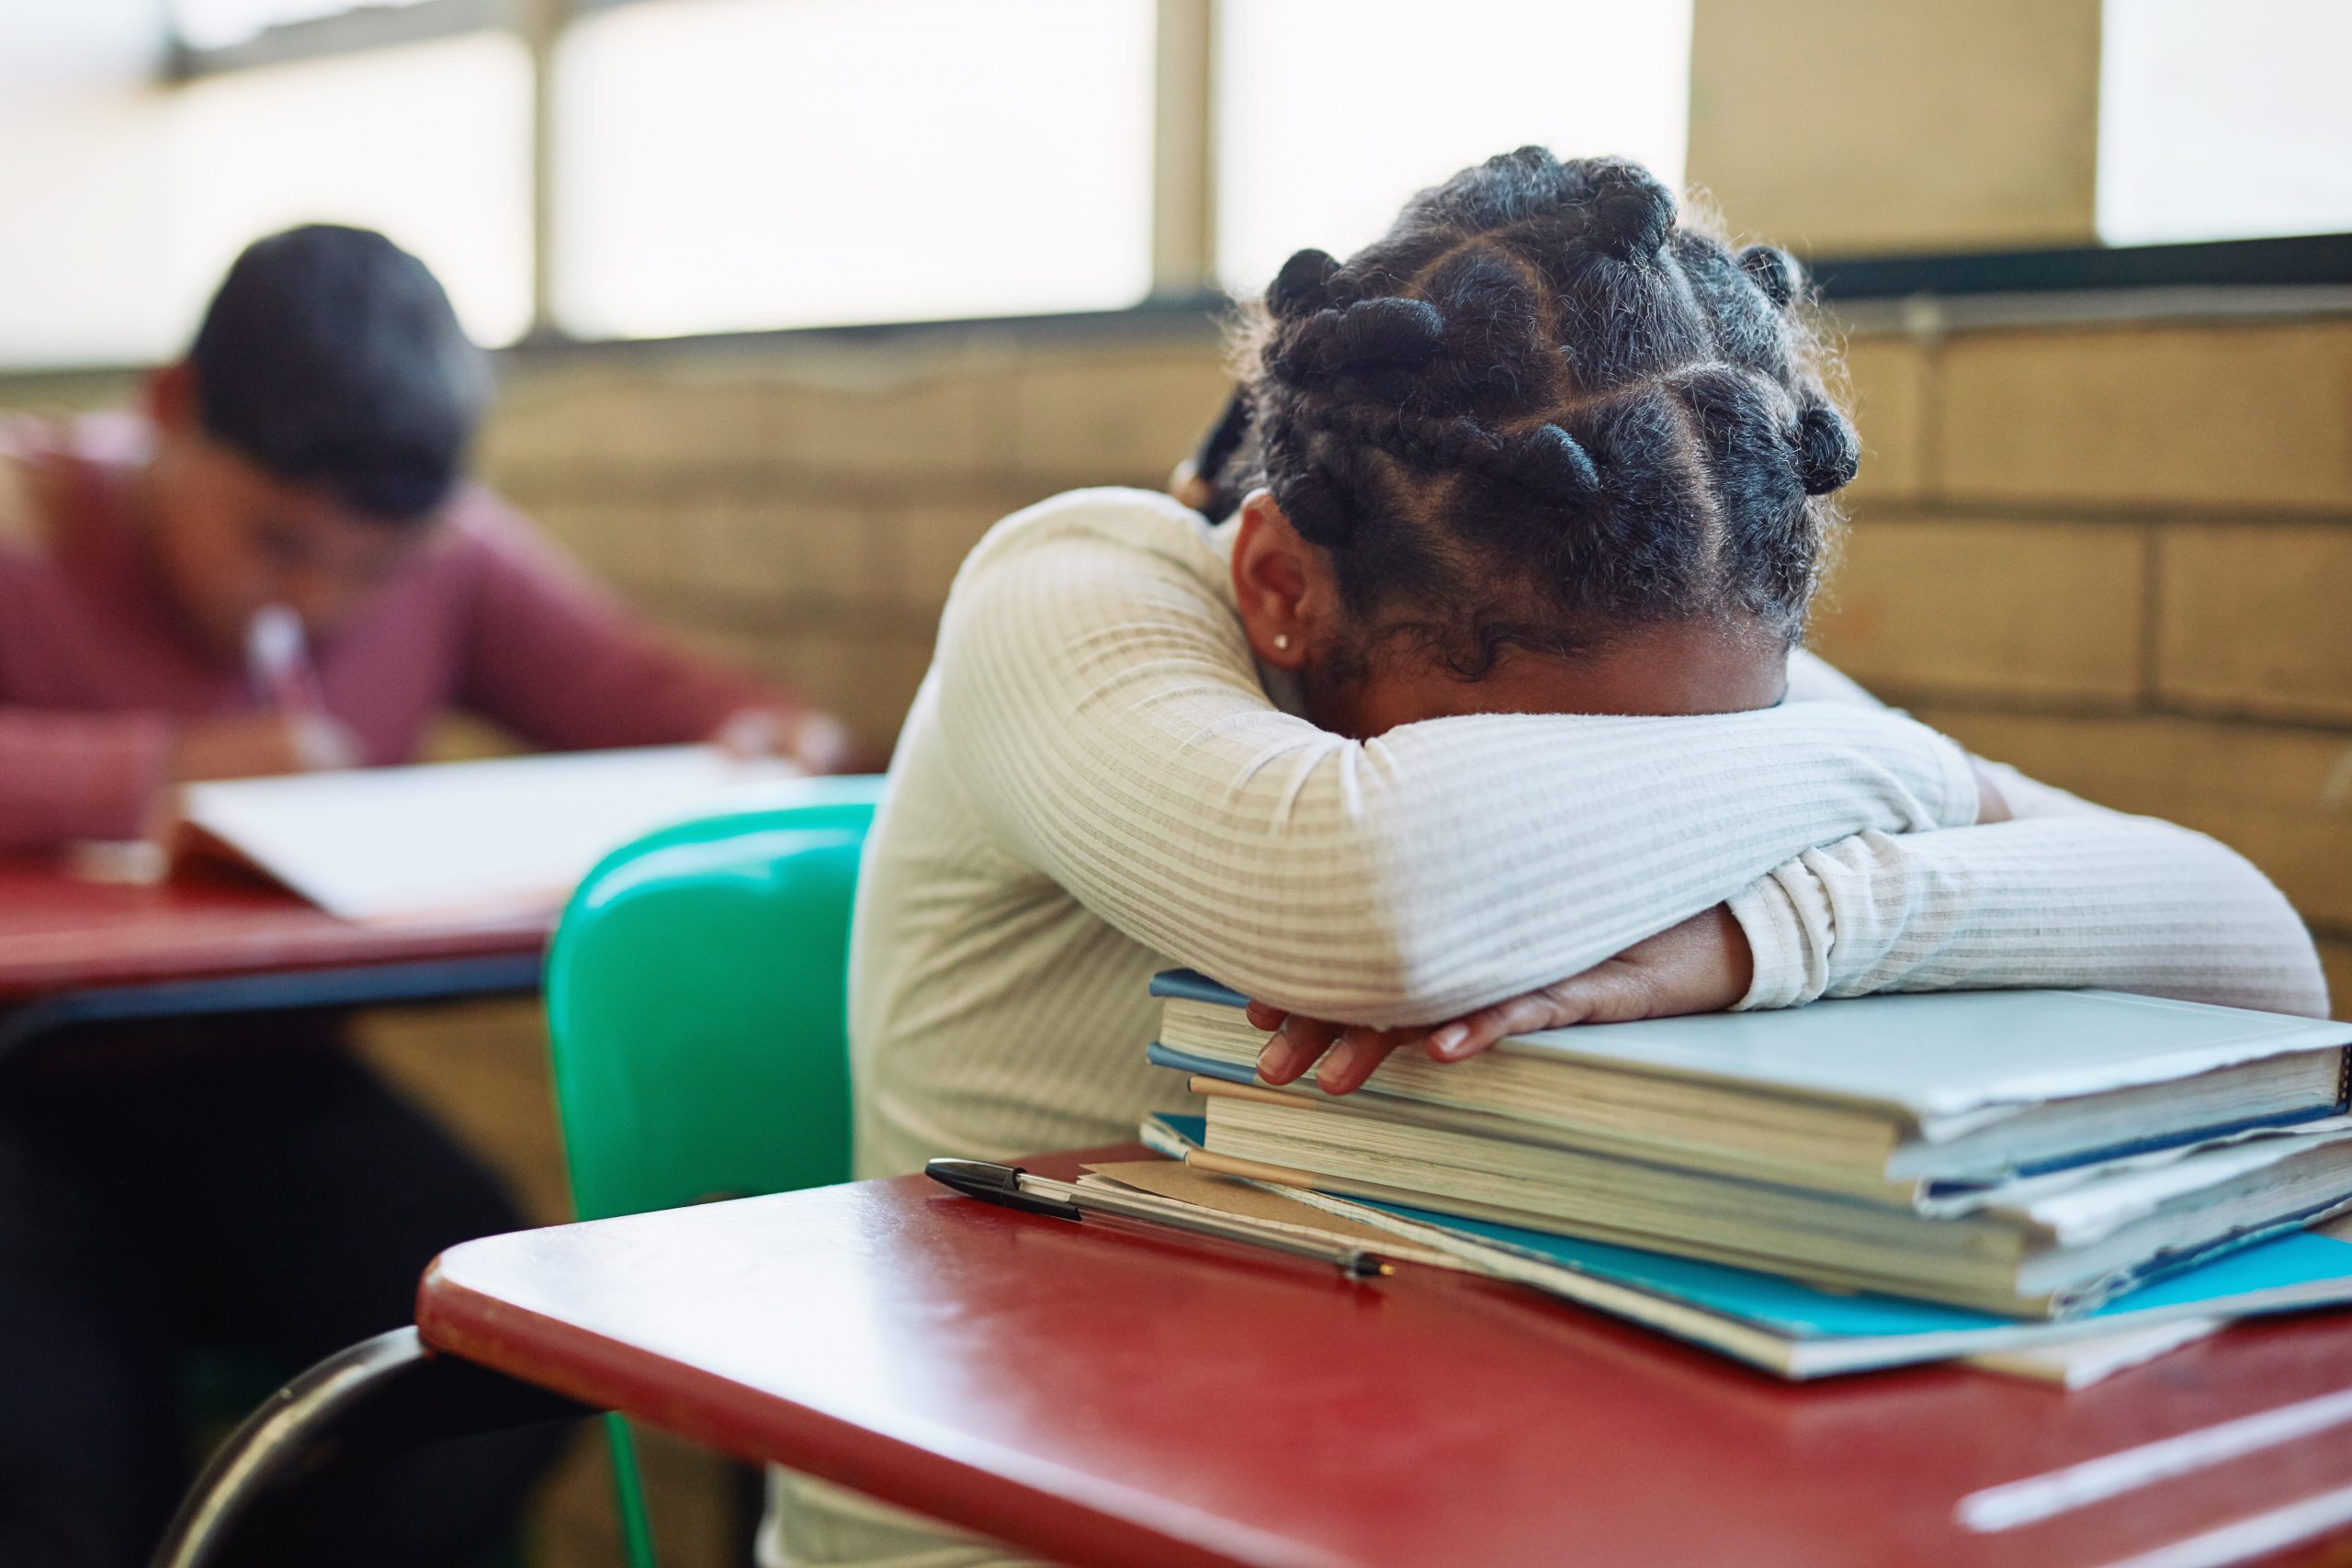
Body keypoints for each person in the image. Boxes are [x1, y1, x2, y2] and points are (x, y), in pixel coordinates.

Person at [763, 148, 2327, 1567]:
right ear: (1281, 586)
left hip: (1439, 1476)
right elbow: (1378, 901)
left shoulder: (1677, 638)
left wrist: (1774, 926)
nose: (1662, 801)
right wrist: (1900, 770)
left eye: (1722, 756)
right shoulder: (1072, 587)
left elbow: (2252, 958)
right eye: (1550, 779)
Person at [0, 224, 852, 1568]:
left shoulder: (452, 554)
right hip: (25, 1096)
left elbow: (666, 696)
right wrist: (158, 774)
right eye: (276, 542)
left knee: (504, 1359)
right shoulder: (23, 518)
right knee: (60, 1463)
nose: (324, 604)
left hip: (258, 1089)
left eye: (373, 568)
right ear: (168, 408)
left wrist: (763, 738)